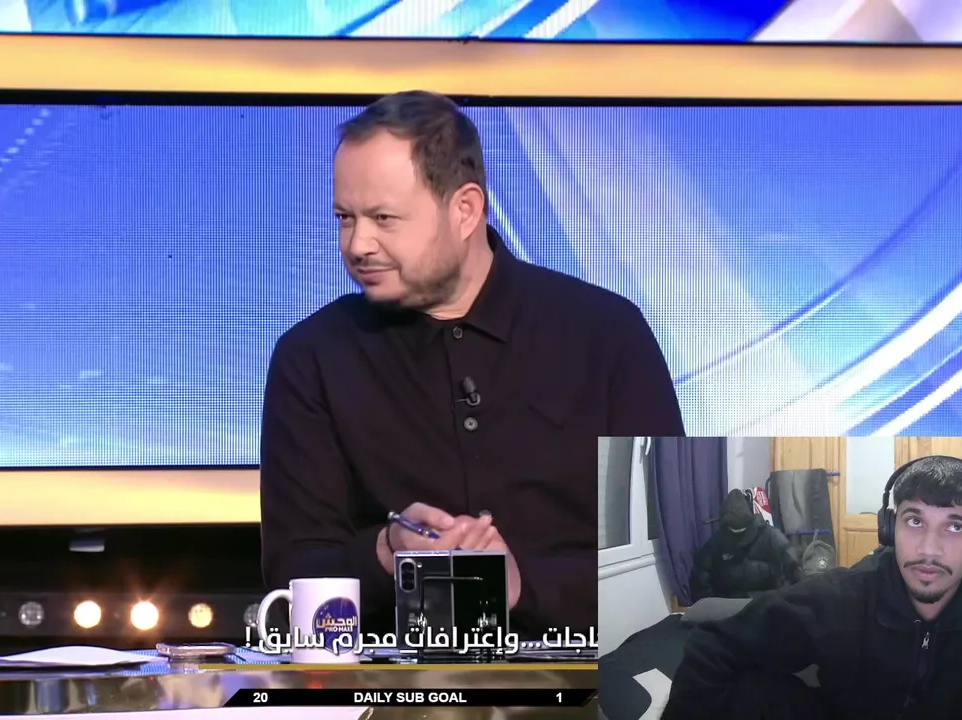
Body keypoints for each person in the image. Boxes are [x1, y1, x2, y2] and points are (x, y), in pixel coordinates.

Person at [259, 90, 683, 637]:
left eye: (384, 218)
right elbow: (293, 577)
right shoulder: (312, 357)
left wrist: (522, 587)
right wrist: (387, 552)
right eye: (345, 218)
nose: (358, 243)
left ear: (465, 210)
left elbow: (669, 559)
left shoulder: (606, 335)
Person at [665, 456, 962, 720]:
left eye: (956, 526)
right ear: (889, 528)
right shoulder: (841, 597)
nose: (929, 549)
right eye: (914, 521)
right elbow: (715, 646)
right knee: (752, 691)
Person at [689, 489, 803, 603]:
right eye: (732, 529)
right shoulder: (717, 541)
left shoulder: (770, 536)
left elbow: (794, 567)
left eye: (740, 530)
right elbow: (700, 577)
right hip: (729, 605)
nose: (736, 534)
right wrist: (711, 604)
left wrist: (790, 601)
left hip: (765, 603)